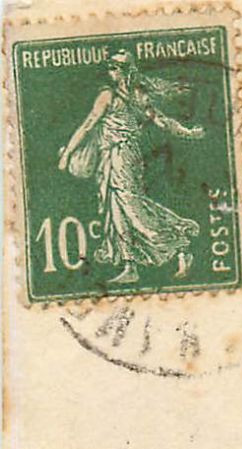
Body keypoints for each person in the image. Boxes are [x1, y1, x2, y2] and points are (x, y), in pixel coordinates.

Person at [56, 49, 203, 284]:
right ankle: (129, 265)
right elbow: (160, 121)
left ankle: (179, 245)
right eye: (110, 68)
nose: (110, 72)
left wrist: (68, 154)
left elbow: (88, 125)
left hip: (122, 156)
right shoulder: (132, 95)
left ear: (124, 71)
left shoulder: (115, 96)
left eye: (114, 68)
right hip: (113, 156)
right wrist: (188, 132)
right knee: (118, 208)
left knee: (131, 206)